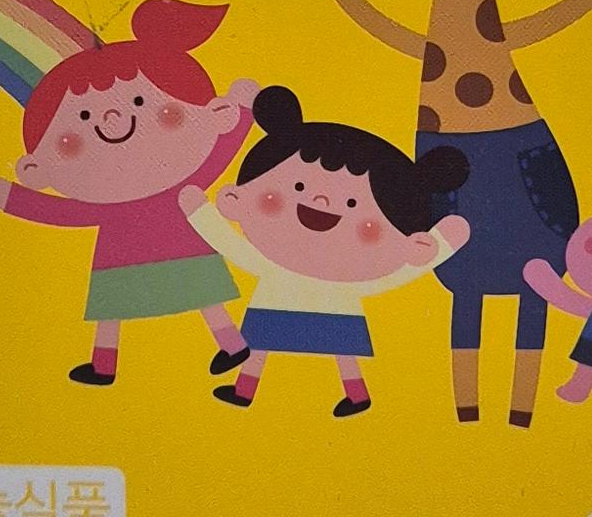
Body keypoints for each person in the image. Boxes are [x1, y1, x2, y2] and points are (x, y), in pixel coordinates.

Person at [0, 0, 255, 382]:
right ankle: (104, 365)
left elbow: (217, 156)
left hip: (175, 246)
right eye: (82, 117)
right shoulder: (106, 201)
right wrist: (15, 199)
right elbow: (64, 212)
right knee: (113, 308)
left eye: (141, 102)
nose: (111, 119)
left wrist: (242, 113)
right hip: (124, 256)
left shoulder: (177, 186)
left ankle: (231, 345)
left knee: (202, 295)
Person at [184, 86, 469, 417]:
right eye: (298, 186)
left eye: (354, 204)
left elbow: (395, 273)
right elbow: (235, 247)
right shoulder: (277, 263)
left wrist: (440, 245)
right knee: (263, 344)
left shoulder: (352, 276)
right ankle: (245, 390)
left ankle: (355, 396)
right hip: (280, 301)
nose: (320, 202)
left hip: (323, 306)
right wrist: (202, 214)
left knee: (336, 353)